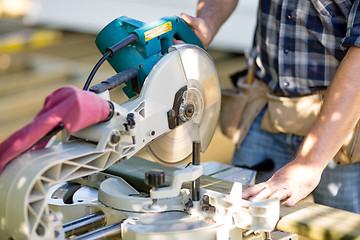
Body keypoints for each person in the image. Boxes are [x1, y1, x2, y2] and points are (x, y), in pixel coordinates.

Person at [179, 0, 360, 213]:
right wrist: (208, 22)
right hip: (264, 111)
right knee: (238, 217)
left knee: (342, 228)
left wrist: (308, 164)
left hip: (341, 133)